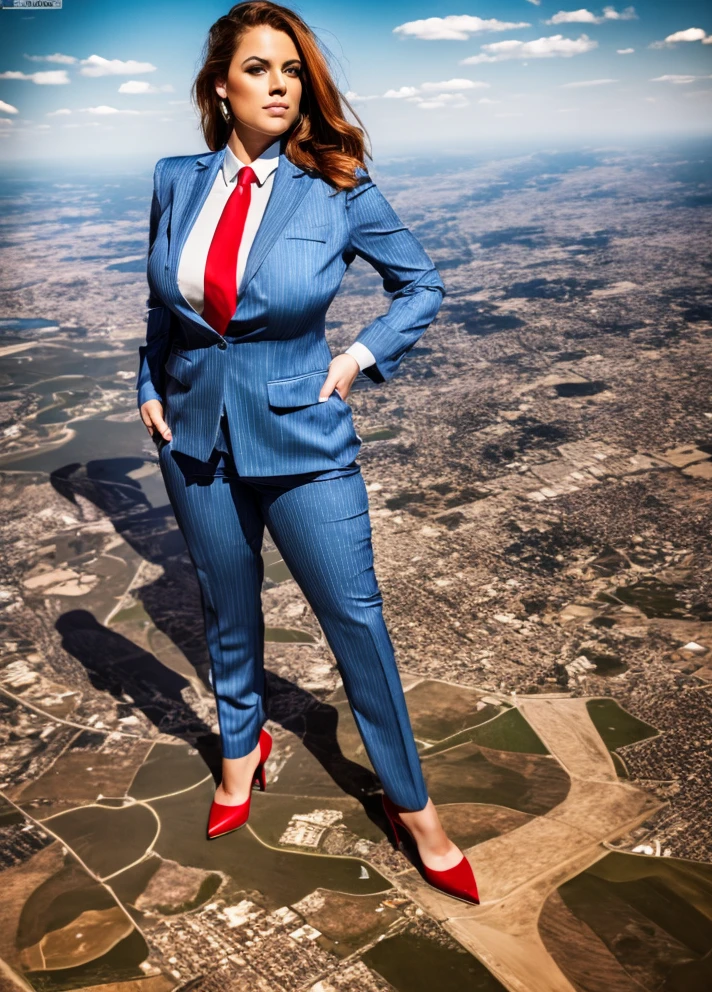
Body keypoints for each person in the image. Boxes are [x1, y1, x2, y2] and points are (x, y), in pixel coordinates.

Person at [137, 0, 479, 905]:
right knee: (226, 605)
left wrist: (357, 360)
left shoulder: (339, 184)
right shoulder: (176, 178)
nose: (281, 84)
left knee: (356, 621)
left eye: (291, 69)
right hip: (191, 437)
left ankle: (413, 807)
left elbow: (421, 284)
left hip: (301, 434)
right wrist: (145, 386)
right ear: (221, 86)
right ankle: (241, 747)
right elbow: (160, 307)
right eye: (259, 68)